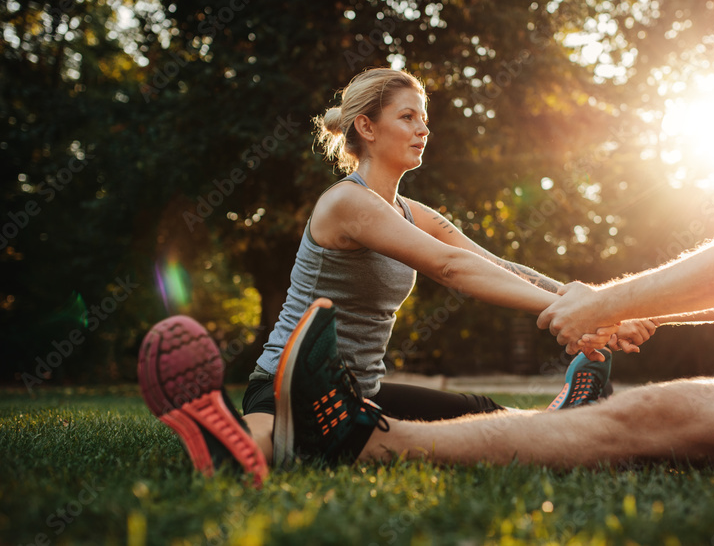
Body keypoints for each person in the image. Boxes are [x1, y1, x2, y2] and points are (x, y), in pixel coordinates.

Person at [261, 0, 714, 471]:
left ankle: (360, 440)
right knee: (663, 417)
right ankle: (332, 426)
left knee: (656, 413)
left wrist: (601, 305)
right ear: (365, 128)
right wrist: (625, 308)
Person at [138, 68, 646, 481]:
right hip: (285, 384)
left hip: (360, 393)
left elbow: (494, 264)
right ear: (367, 126)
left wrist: (601, 305)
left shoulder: (409, 211)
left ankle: (569, 414)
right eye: (408, 117)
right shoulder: (345, 203)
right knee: (272, 439)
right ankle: (224, 444)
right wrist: (572, 312)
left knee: (484, 411)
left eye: (424, 119)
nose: (424, 129)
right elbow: (451, 267)